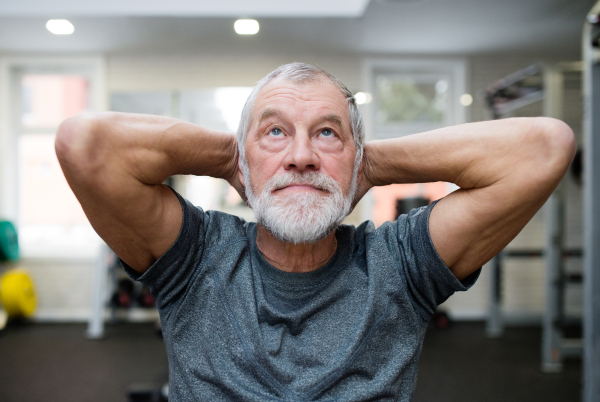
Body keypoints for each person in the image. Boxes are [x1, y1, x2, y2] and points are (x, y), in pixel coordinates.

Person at [56, 63, 575, 401]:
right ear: (243, 157)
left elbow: (544, 147)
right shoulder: (195, 258)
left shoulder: (398, 265)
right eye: (275, 132)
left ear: (357, 155)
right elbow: (86, 144)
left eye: (327, 133)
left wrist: (368, 167)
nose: (302, 157)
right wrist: (229, 156)